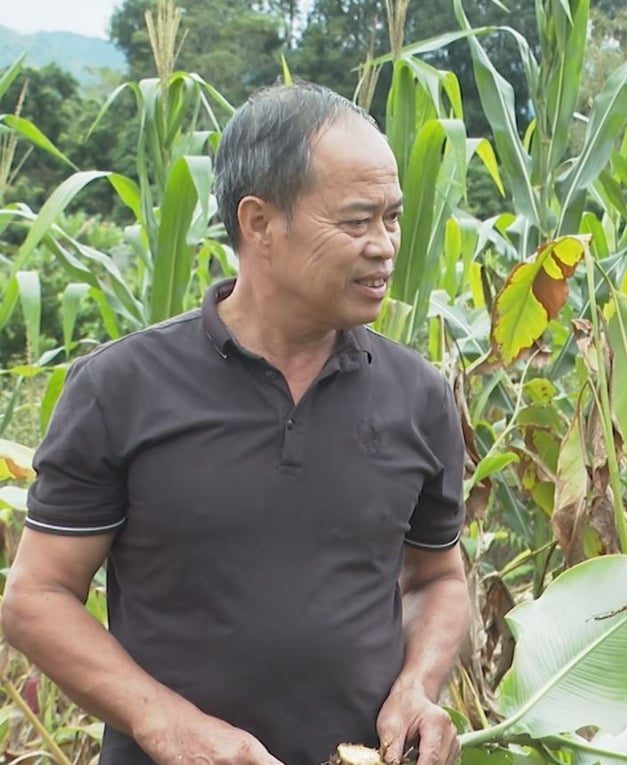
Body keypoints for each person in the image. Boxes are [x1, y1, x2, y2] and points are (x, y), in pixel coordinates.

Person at [2, 82, 470, 765]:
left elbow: (438, 578)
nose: (384, 246)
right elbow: (36, 597)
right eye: (356, 221)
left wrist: (417, 686)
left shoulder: (419, 396)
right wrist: (166, 723)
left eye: (392, 218)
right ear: (258, 223)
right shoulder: (122, 387)